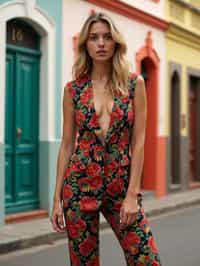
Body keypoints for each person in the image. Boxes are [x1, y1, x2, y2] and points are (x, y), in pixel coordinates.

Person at [51, 12, 162, 266]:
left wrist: (133, 193)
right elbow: (67, 144)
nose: (101, 43)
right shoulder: (73, 90)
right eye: (93, 38)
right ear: (85, 45)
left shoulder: (135, 85)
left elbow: (139, 141)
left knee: (147, 259)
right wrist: (56, 199)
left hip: (121, 187)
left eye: (107, 37)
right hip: (79, 187)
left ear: (116, 43)